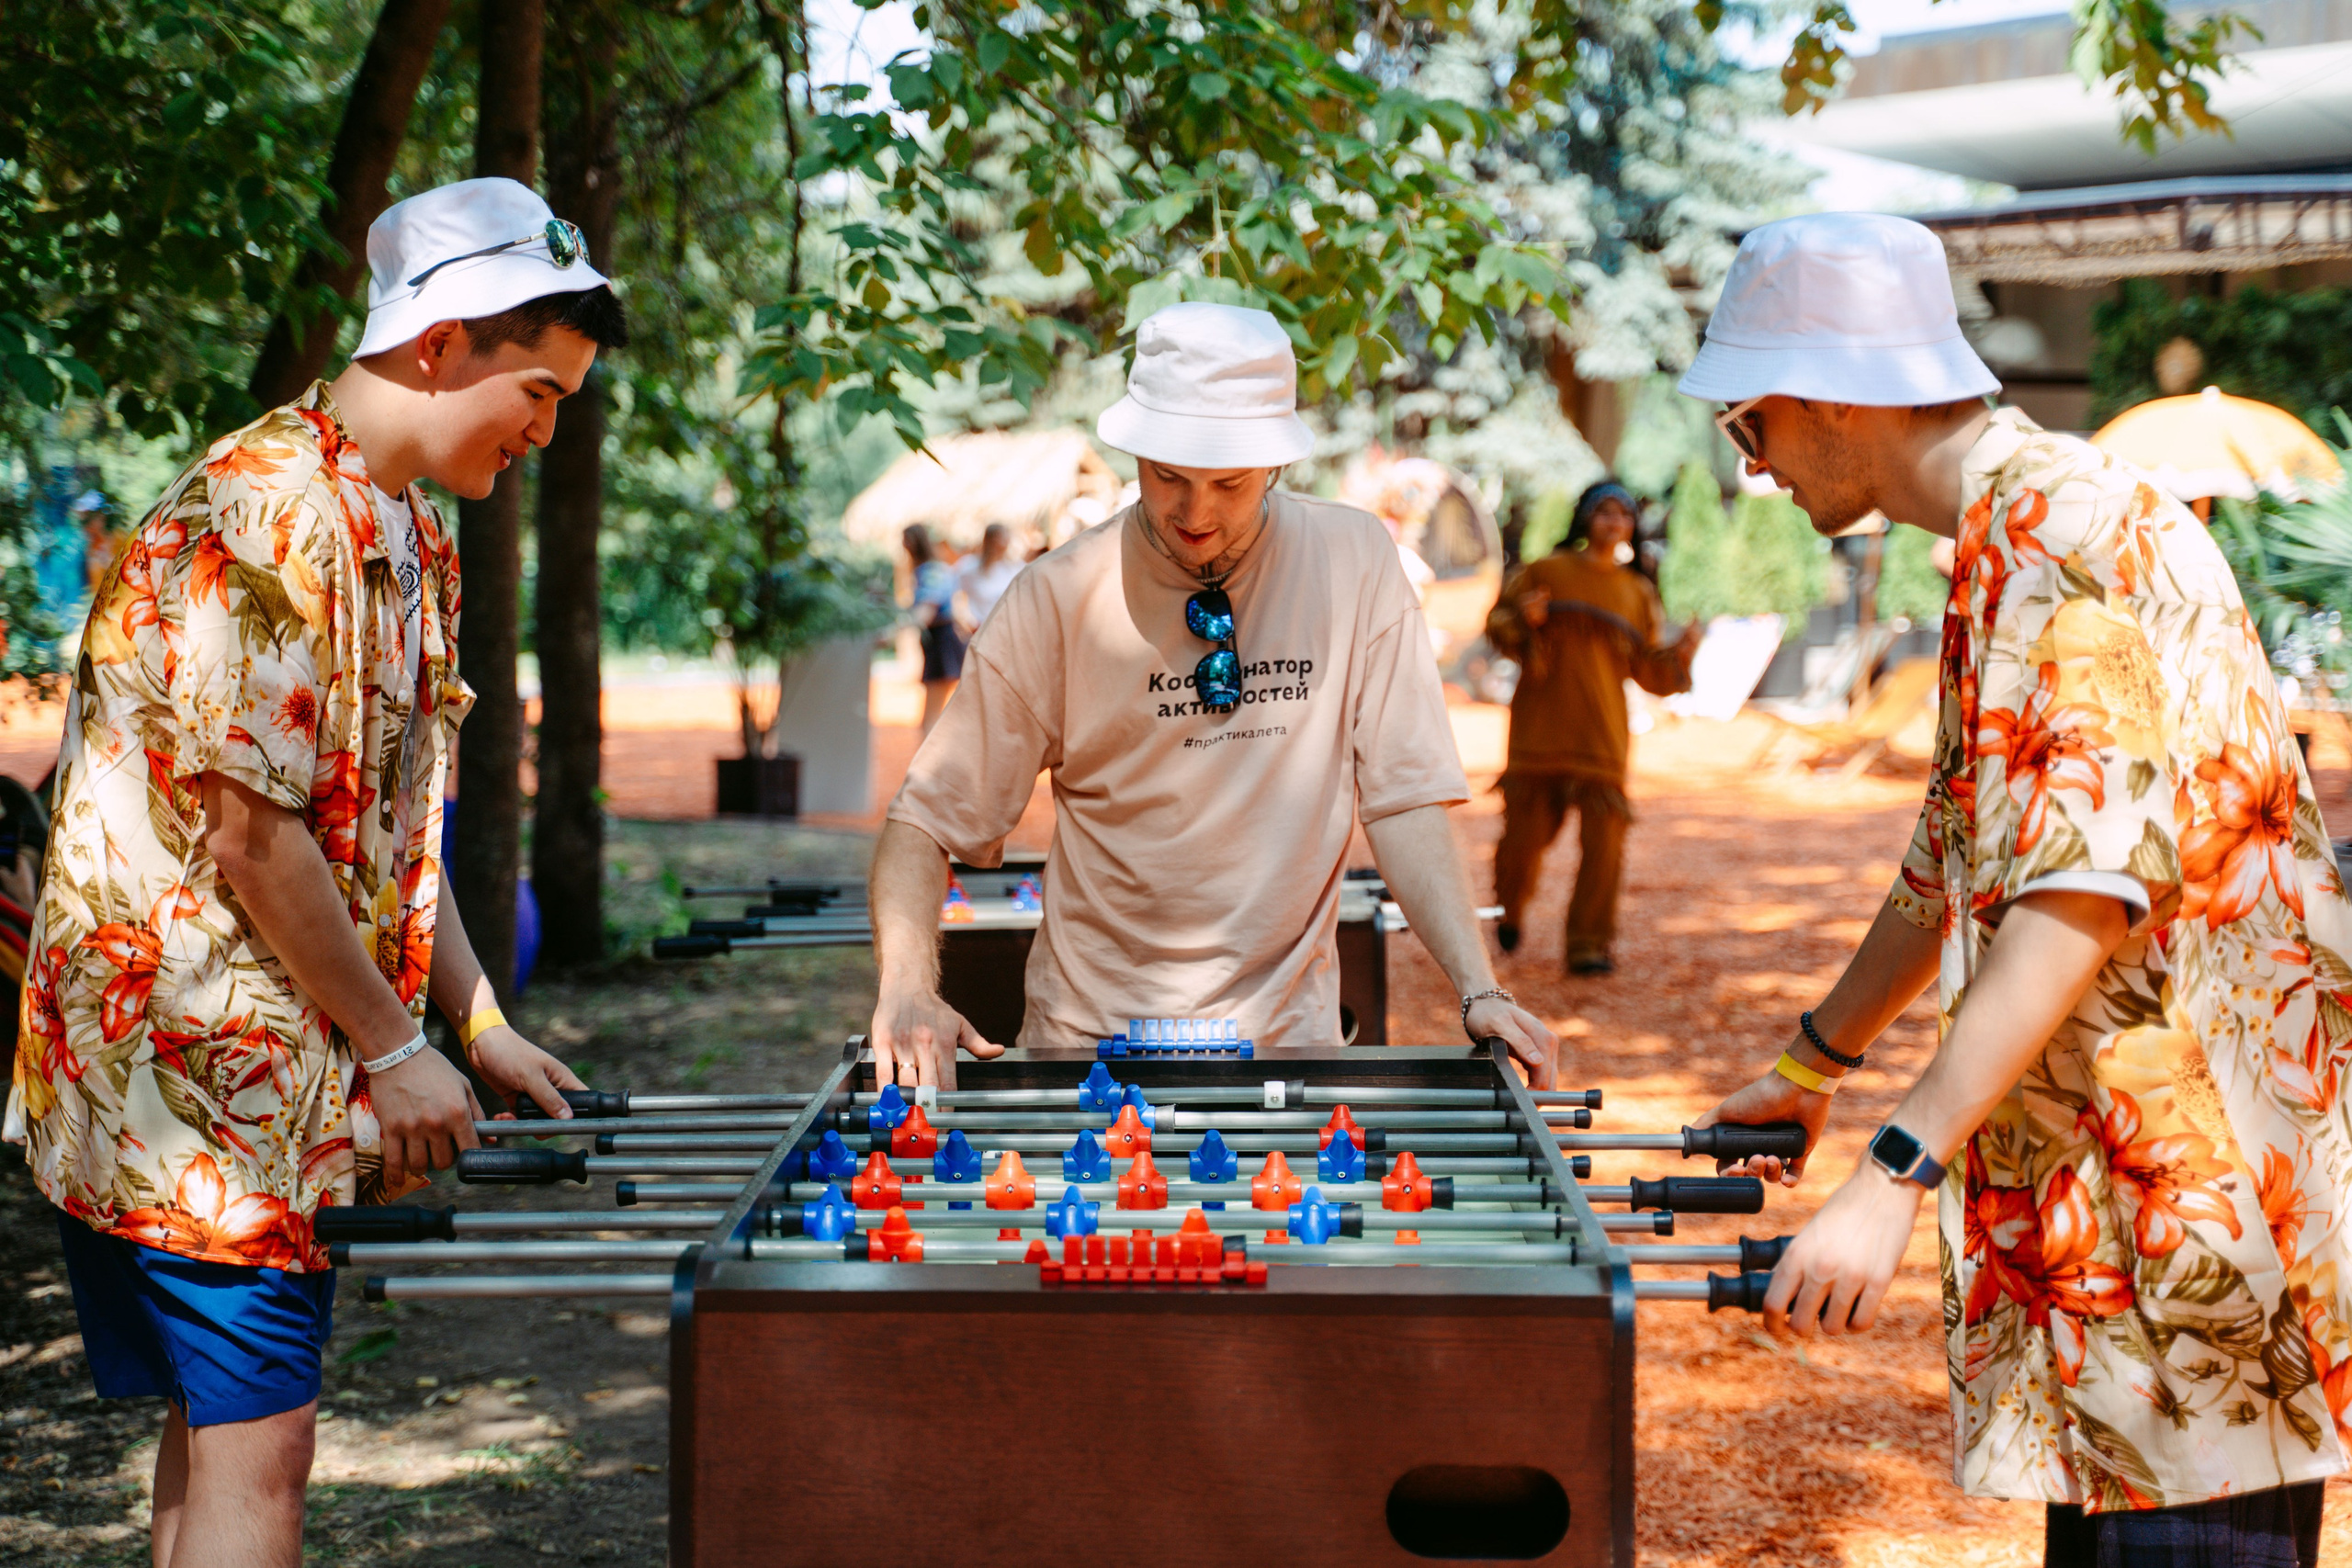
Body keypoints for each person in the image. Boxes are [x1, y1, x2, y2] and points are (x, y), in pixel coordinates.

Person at [1690, 211, 2352, 1564]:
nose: (1751, 465)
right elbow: (1951, 858)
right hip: (2124, 1230)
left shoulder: (2064, 528)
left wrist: (1891, 1168)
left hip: (2184, 1234)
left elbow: (2083, 890)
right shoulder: (2009, 529)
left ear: (1828, 398)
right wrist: (1811, 1062)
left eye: (1749, 426)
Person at [5, 176, 612, 1568]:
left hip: (256, 1061)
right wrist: (396, 1043)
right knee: (264, 1448)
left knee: (230, 1429)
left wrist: (476, 1017)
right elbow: (252, 834)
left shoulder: (407, 524)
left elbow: (390, 828)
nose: (545, 427)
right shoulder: (272, 509)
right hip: (185, 1065)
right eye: (534, 387)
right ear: (434, 339)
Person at [866, 300, 1558, 1088]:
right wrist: (907, 989)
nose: (1196, 515)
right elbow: (925, 818)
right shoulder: (1056, 598)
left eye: (1228, 483)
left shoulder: (1354, 564)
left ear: (1277, 461)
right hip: (1086, 1053)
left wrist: (1480, 988)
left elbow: (1405, 799)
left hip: (1285, 1051)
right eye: (1167, 476)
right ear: (1134, 452)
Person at [1484, 480, 1697, 973]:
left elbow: (1647, 671)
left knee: (1606, 846)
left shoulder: (1637, 591)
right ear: (1584, 518)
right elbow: (1496, 624)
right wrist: (1524, 619)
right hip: (1540, 732)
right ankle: (1508, 912)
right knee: (1521, 841)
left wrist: (1682, 653)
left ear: (1632, 526)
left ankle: (1588, 945)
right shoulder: (1545, 570)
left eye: (1623, 514)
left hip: (1603, 735)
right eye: (1603, 511)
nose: (1613, 521)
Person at [904, 523, 963, 736]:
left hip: (942, 644)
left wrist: (894, 631)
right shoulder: (929, 570)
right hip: (939, 643)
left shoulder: (930, 571)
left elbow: (926, 611)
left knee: (932, 717)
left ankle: (927, 767)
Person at [956, 521, 1023, 634]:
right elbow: (957, 596)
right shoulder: (969, 567)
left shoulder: (1015, 568)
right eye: (999, 539)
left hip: (1008, 630)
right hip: (979, 631)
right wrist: (966, 619)